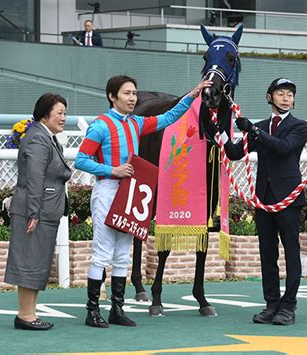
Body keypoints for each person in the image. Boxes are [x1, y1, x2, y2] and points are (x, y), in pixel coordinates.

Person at [75, 75, 211, 328]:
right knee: (102, 252)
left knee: (122, 255)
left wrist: (193, 94)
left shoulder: (136, 123)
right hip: (107, 189)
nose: (132, 98)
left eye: (134, 93)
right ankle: (92, 310)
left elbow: (169, 118)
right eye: (127, 93)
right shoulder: (100, 126)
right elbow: (81, 160)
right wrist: (112, 170)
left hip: (130, 192)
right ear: (112, 97)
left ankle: (117, 309)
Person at [210, 78, 307, 325]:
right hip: (263, 197)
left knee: (292, 253)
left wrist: (253, 130)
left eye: (290, 94)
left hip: (288, 198)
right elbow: (235, 153)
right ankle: (271, 304)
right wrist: (221, 129)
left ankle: (288, 306)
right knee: (267, 253)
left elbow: (283, 148)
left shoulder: (300, 127)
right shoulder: (262, 126)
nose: (286, 98)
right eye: (280, 93)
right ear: (269, 97)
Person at [4, 93, 72, 330]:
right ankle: (25, 315)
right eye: (59, 113)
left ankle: (29, 313)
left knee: (37, 262)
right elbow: (34, 178)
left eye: (65, 112)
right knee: (29, 262)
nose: (64, 117)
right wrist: (33, 213)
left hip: (45, 211)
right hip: (35, 212)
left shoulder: (46, 136)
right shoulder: (37, 139)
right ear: (45, 114)